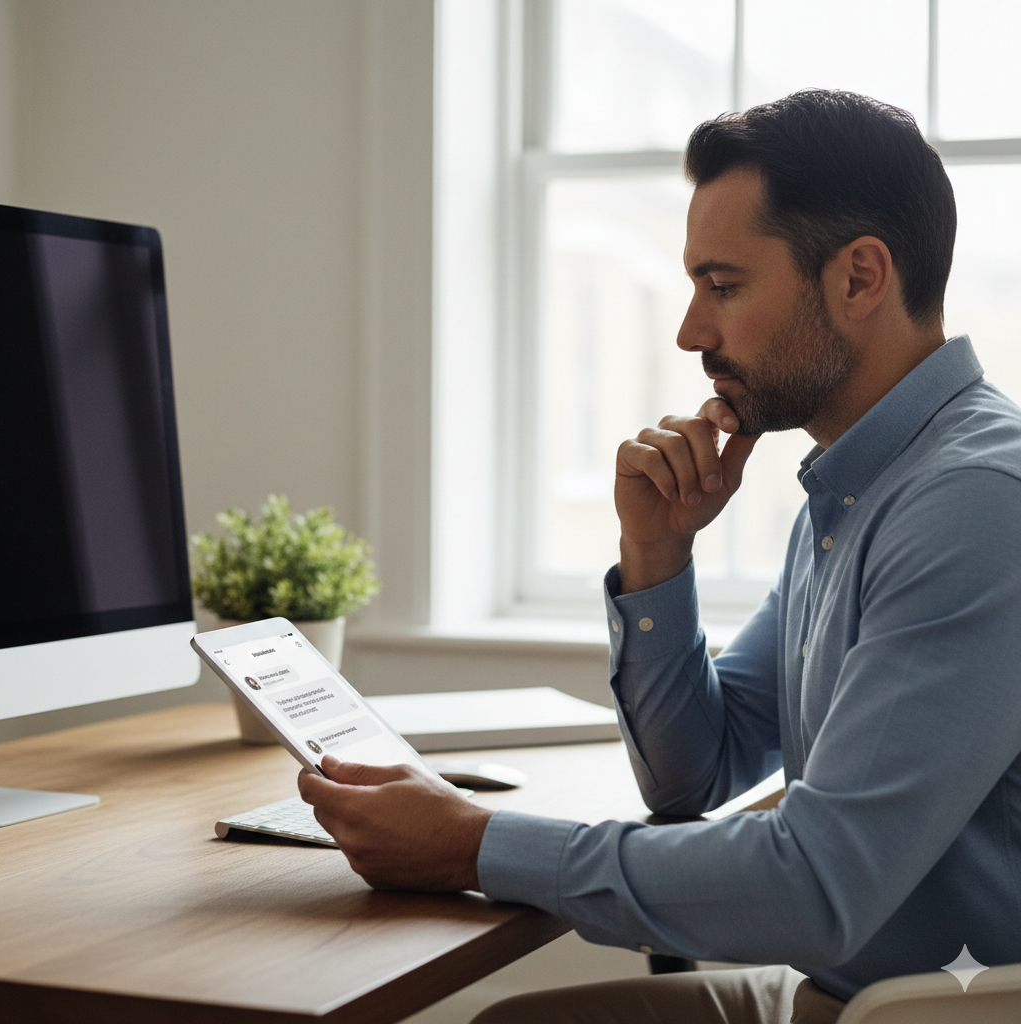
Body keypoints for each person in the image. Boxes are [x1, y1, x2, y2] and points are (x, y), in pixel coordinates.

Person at [298, 90, 1021, 1023]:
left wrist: (472, 843)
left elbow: (816, 889)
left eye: (723, 286)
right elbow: (694, 776)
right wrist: (657, 554)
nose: (691, 331)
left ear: (859, 277)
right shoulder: (852, 491)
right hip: (846, 989)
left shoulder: (973, 504)